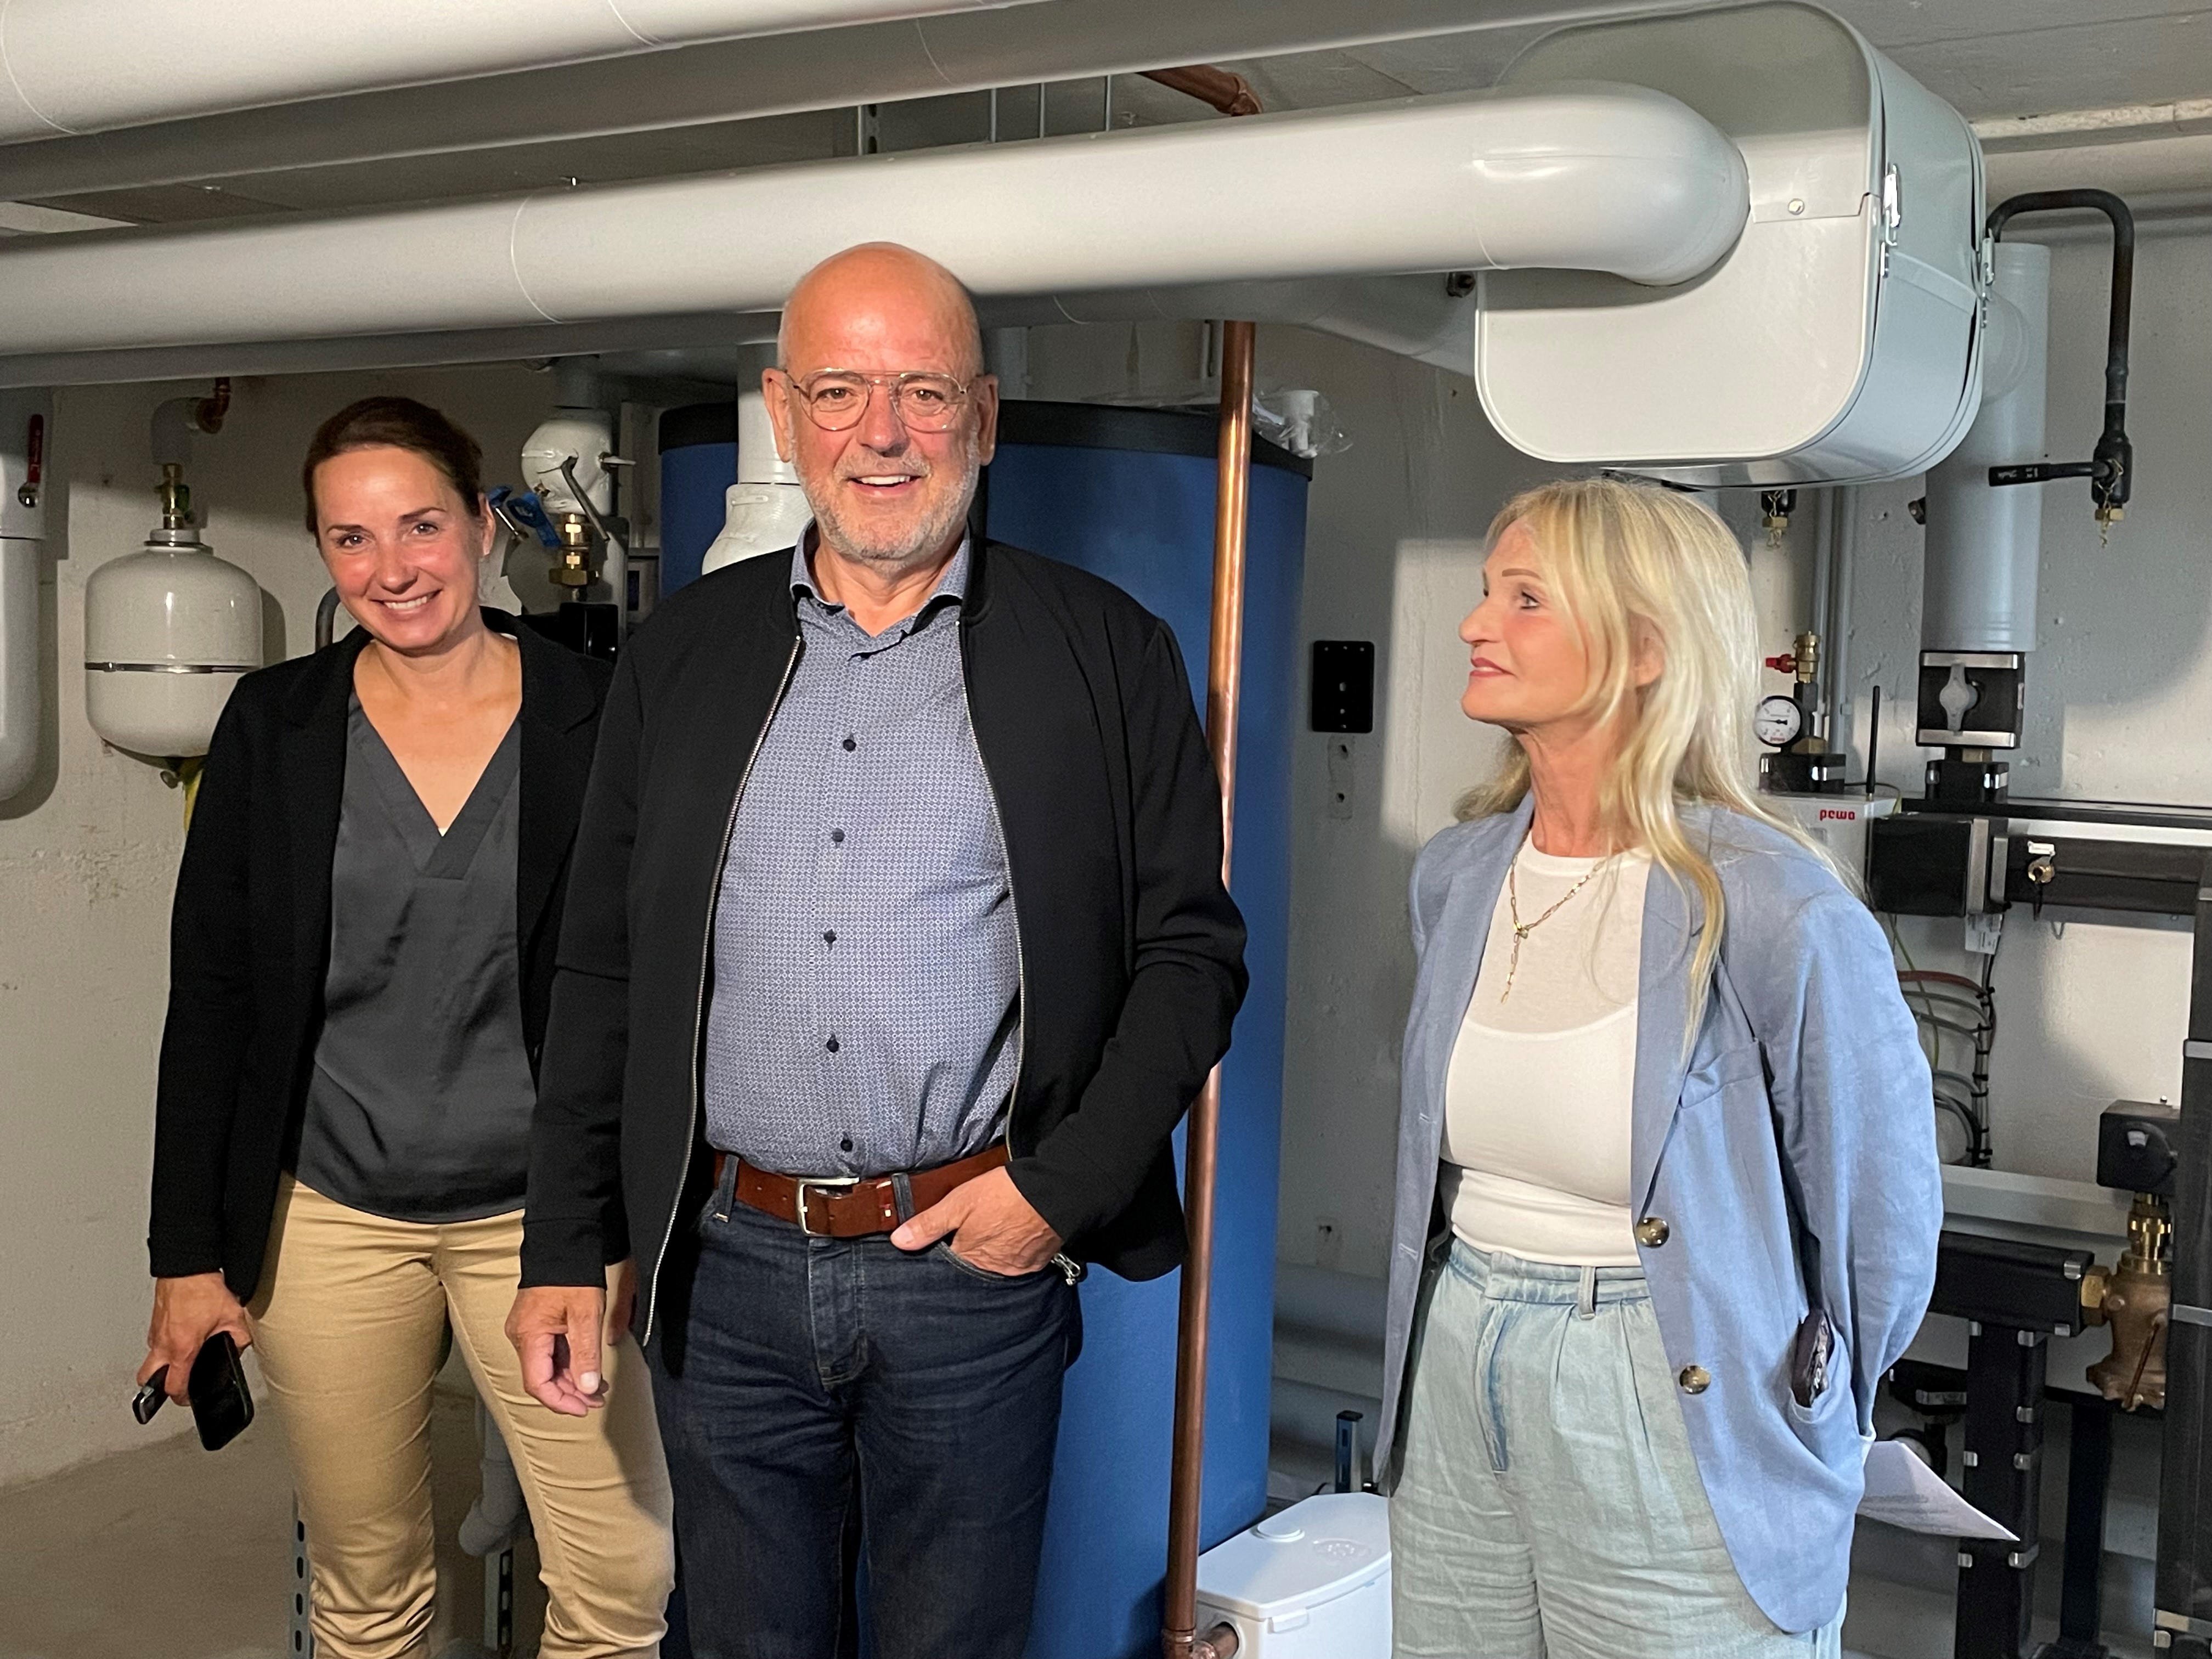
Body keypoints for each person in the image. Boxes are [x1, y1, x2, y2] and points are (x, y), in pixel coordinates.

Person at [506, 241, 1247, 1659]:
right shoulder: (679, 658)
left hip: (970, 1271)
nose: (883, 433)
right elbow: (601, 969)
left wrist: (1053, 1196)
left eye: (923, 391)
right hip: (724, 1271)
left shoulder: (1108, 653)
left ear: (984, 417)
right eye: (841, 392)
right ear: (787, 419)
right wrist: (565, 1242)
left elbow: (1191, 959)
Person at [141, 397, 673, 1659]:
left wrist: (615, 1218)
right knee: (368, 1589)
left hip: (542, 1223)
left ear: (483, 526)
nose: (392, 567)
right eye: (352, 538)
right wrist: (186, 1256)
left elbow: (646, 995)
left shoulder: (601, 714)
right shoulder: (273, 726)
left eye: (420, 526)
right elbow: (211, 998)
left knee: (622, 1580)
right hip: (328, 1221)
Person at [1376, 477, 1940, 1657]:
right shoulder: (1458, 875)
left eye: (1525, 600)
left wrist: (1797, 1416)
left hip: (1669, 1387)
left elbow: (1881, 1232)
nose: (1476, 625)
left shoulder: (1775, 909)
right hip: (1458, 1358)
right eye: (1486, 594)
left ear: (1644, 649)